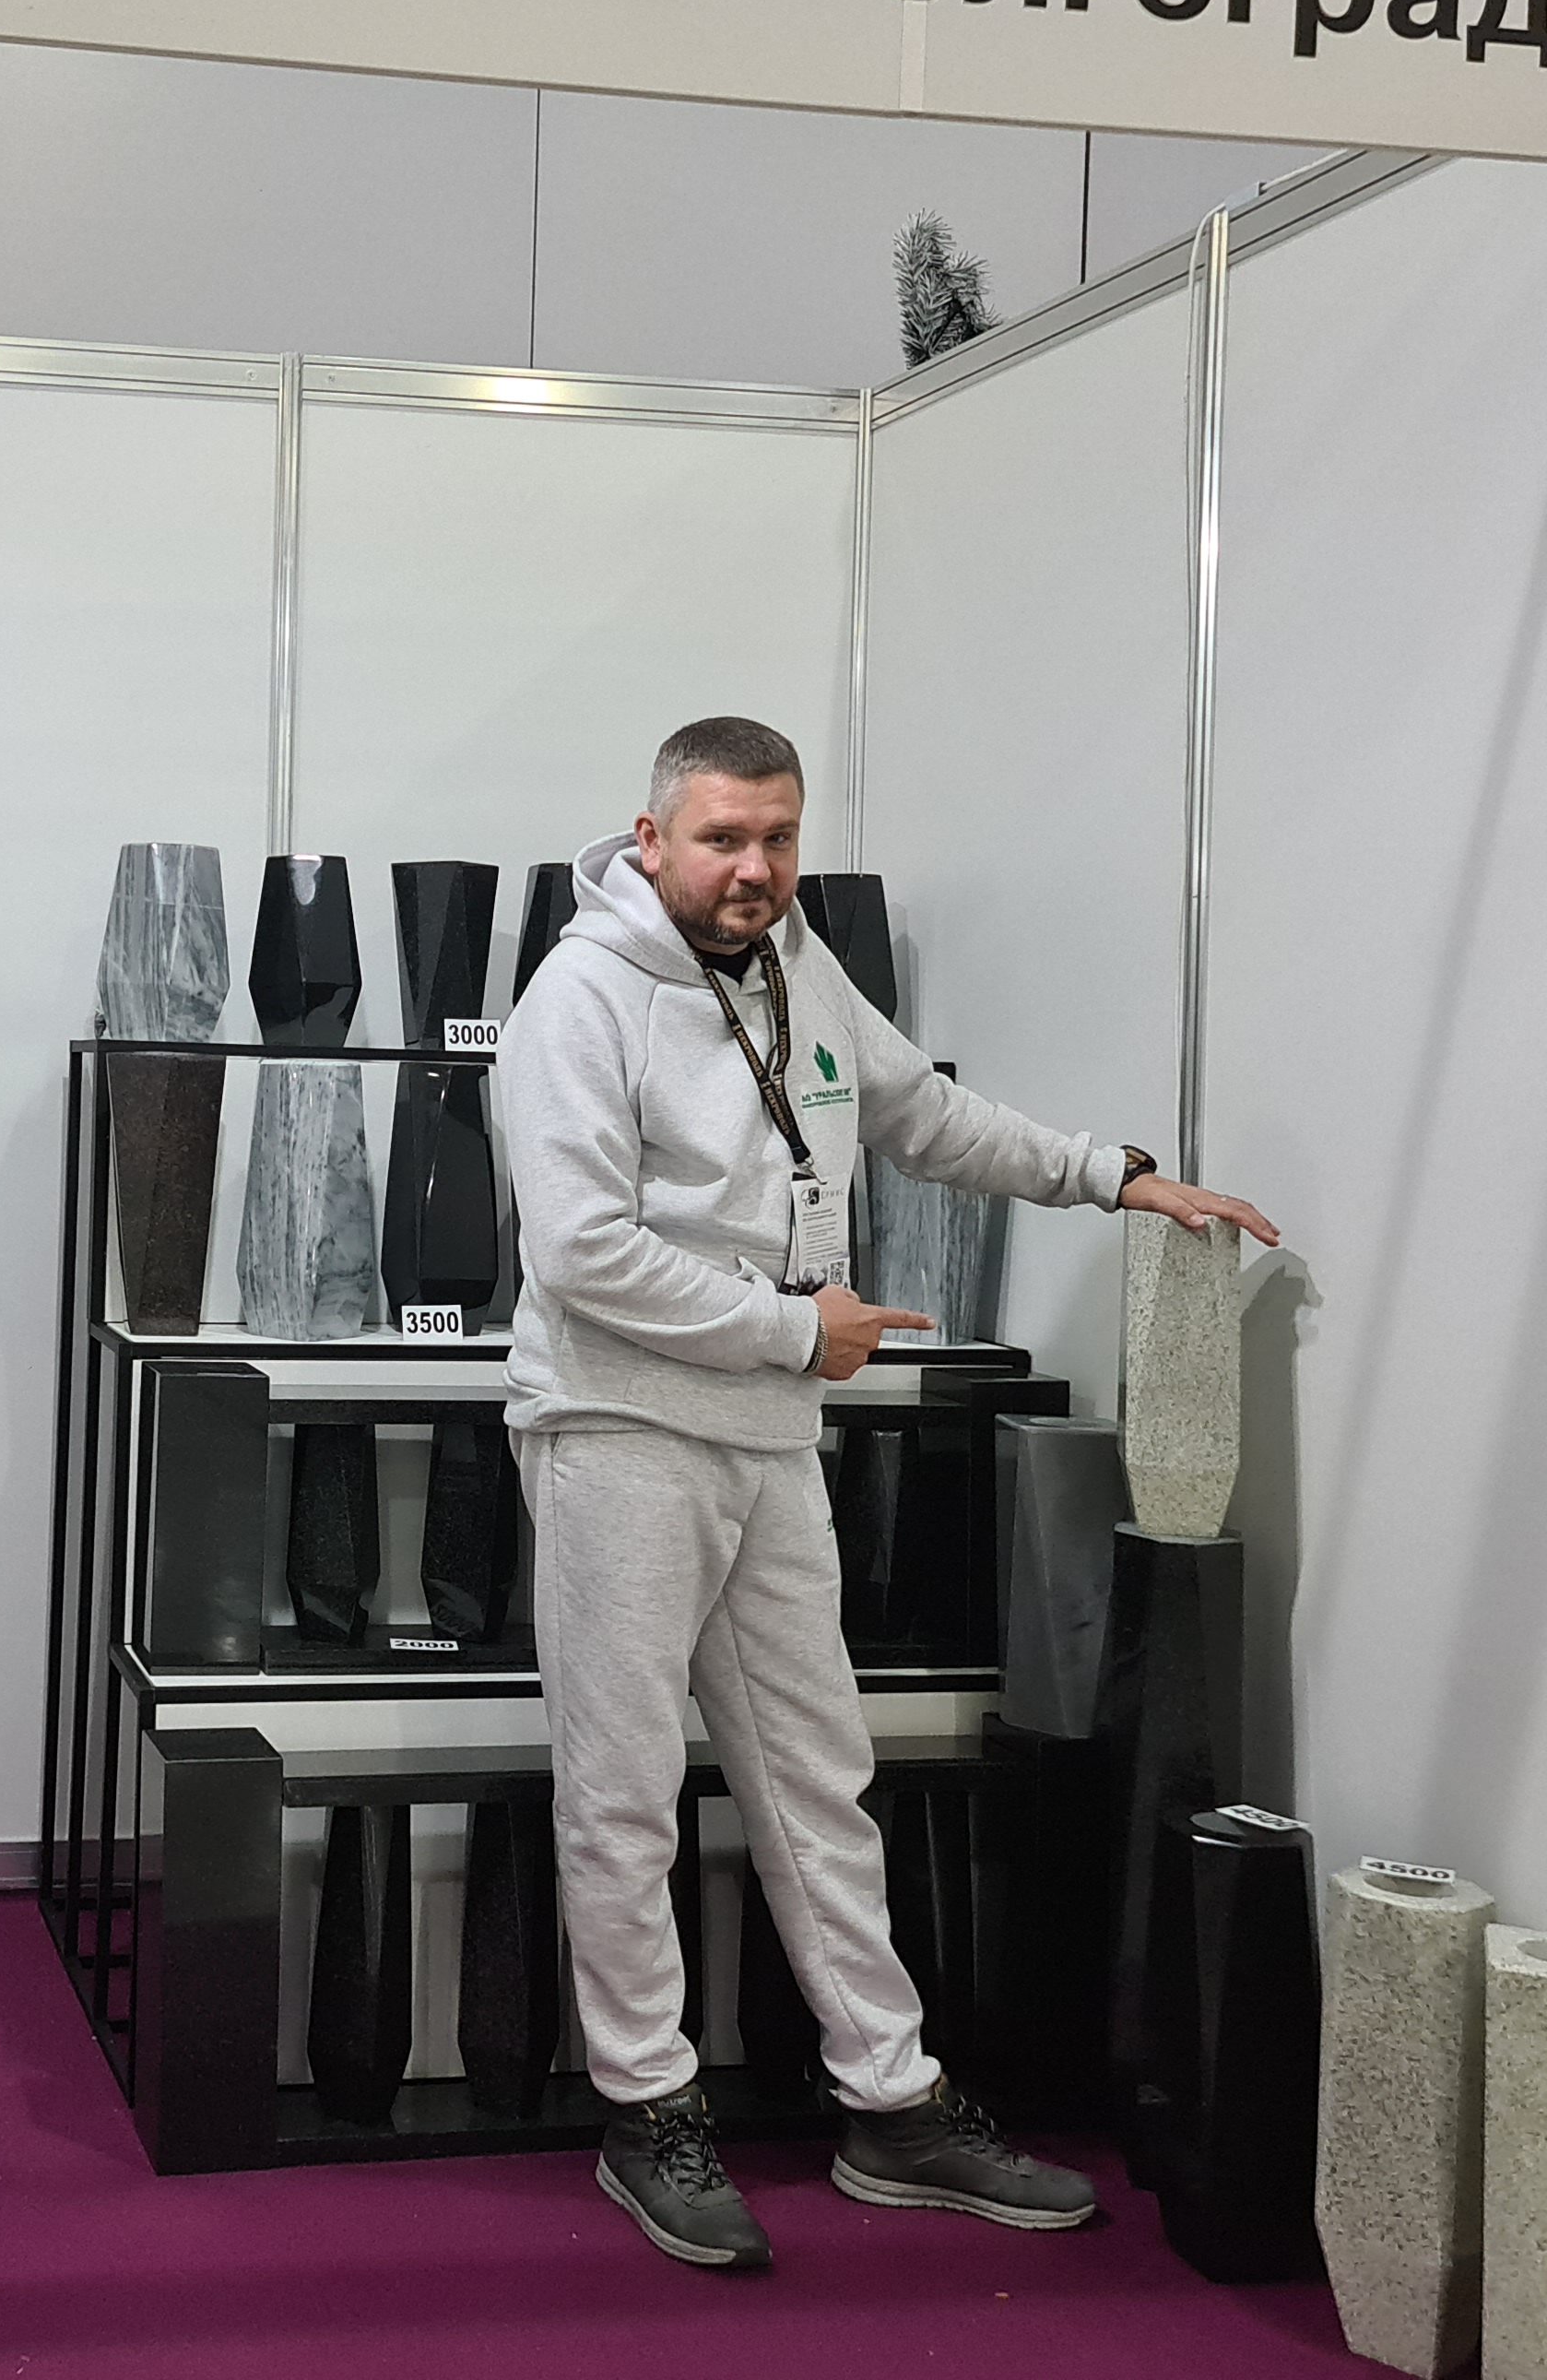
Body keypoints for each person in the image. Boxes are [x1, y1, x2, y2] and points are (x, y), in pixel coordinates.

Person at [491, 713, 1279, 2272]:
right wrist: (799, 1329)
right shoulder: (577, 1002)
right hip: (619, 1430)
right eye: (723, 838)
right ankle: (648, 2107)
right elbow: (578, 1252)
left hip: (769, 1437)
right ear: (650, 839)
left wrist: (1111, 1174)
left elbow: (922, 1113)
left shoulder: (798, 963)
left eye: (779, 838)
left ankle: (891, 2099)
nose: (755, 868)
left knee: (818, 1778)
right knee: (624, 1792)